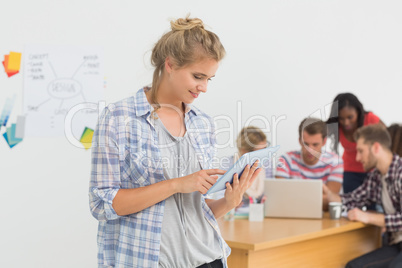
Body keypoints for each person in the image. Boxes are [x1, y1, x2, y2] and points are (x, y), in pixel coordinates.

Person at [89, 16, 261, 268]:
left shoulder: (203, 124)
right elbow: (101, 204)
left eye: (209, 79)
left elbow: (196, 212)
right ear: (170, 64)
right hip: (149, 261)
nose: (203, 88)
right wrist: (177, 184)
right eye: (198, 76)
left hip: (208, 258)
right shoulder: (119, 118)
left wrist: (229, 201)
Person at [324, 124, 402, 267]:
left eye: (360, 151)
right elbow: (352, 199)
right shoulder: (376, 177)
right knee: (353, 266)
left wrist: (368, 217)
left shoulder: (400, 172)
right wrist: (328, 194)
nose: (358, 158)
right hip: (396, 244)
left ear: (376, 148)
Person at [276, 117, 343, 210]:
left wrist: (293, 198)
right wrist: (318, 198)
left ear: (324, 142)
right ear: (300, 141)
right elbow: (278, 196)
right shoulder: (286, 160)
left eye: (315, 144)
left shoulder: (335, 162)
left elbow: (330, 202)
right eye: (306, 144)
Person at [327, 93, 384, 194]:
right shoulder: (337, 125)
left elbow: (389, 138)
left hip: (372, 170)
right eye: (341, 118)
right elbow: (317, 135)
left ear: (358, 112)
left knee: (374, 207)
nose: (346, 122)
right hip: (350, 170)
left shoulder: (370, 119)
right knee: (351, 204)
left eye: (350, 117)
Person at [220, 126, 273, 203]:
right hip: (236, 213)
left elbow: (270, 193)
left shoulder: (267, 164)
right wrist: (229, 203)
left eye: (265, 149)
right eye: (259, 152)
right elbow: (220, 198)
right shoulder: (227, 164)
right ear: (244, 151)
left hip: (260, 212)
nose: (264, 155)